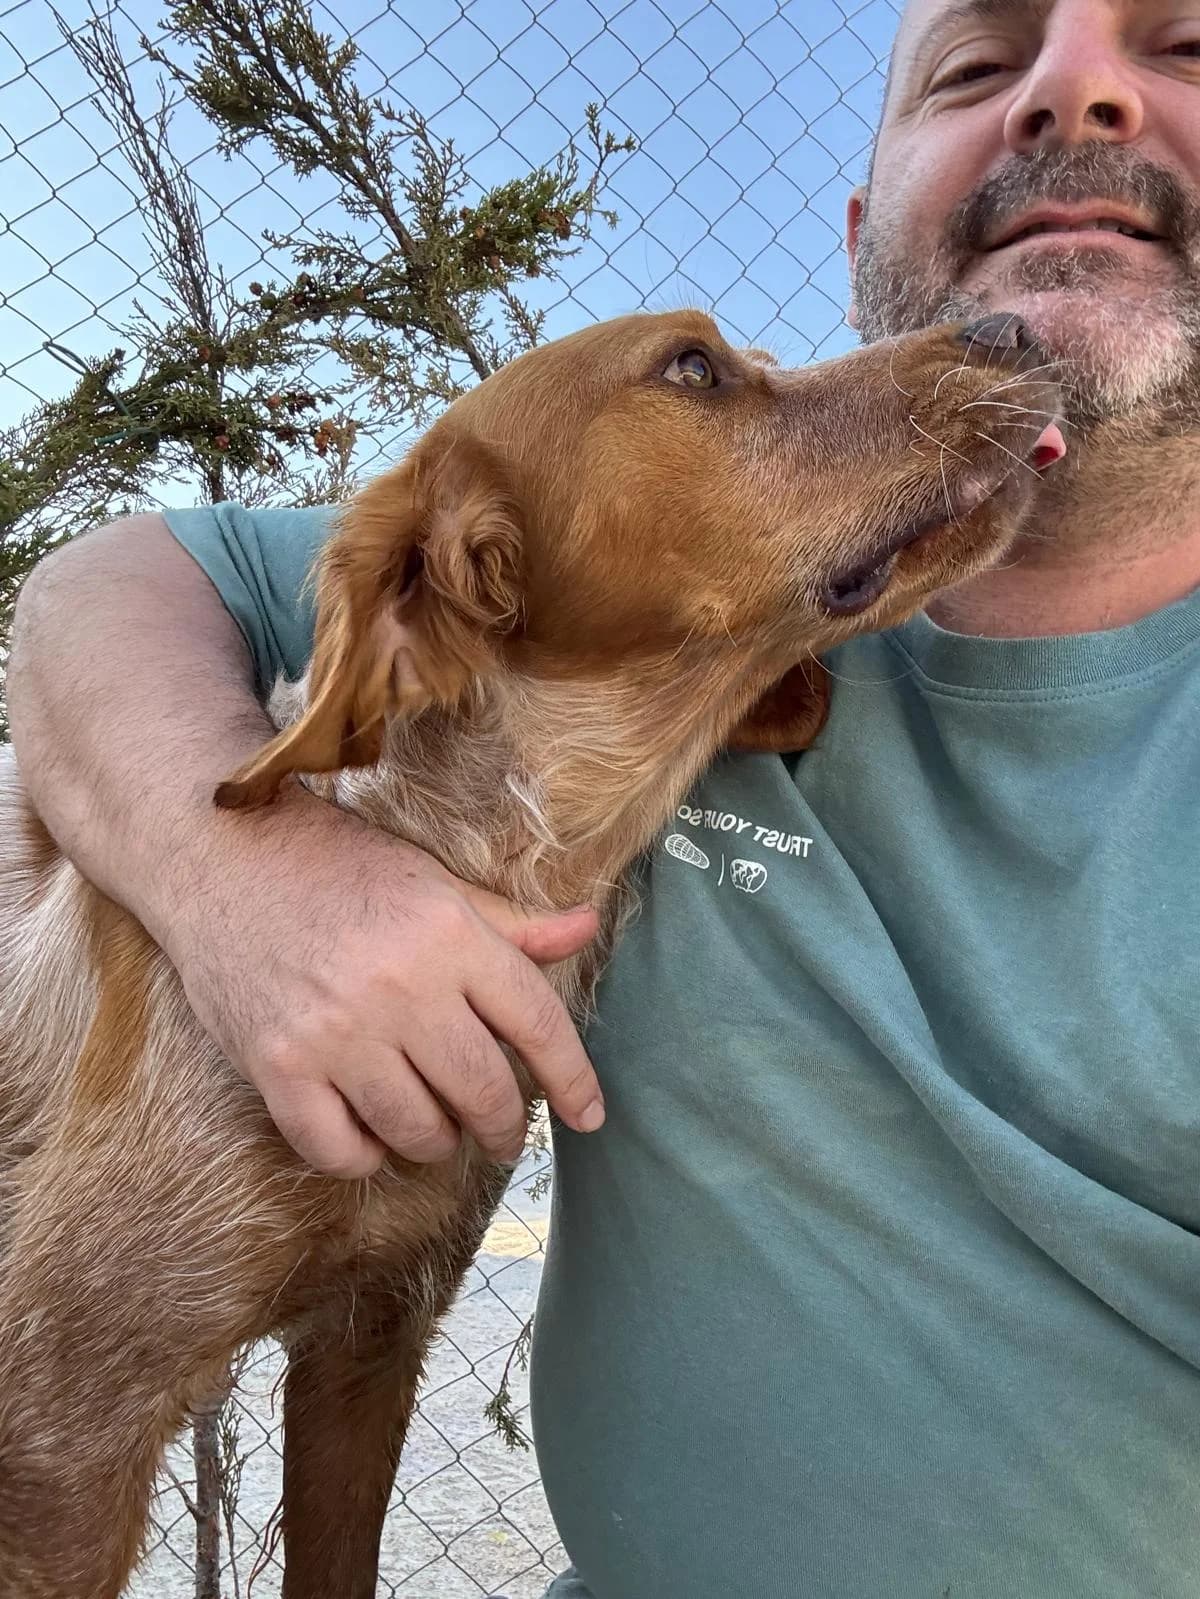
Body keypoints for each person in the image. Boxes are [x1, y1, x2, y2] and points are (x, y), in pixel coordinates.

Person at [10, 0, 1200, 1592]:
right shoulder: (697, 652)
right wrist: (242, 878)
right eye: (977, 70)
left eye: (1185, 45)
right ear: (864, 228)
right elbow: (110, 581)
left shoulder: (751, 644)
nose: (1079, 95)